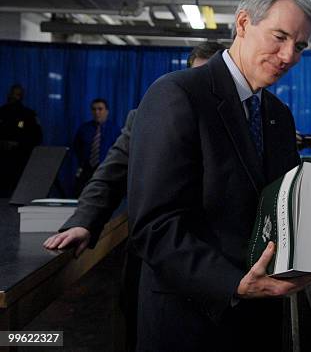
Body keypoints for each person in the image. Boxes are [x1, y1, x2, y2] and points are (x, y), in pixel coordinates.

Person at [128, 0, 311, 352]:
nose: (288, 55)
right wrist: (232, 283)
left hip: (259, 321)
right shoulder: (177, 94)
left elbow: (279, 210)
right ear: (244, 23)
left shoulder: (278, 116)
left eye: (300, 46)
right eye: (279, 37)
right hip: (191, 321)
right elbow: (154, 225)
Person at [43, 42, 225, 352]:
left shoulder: (241, 121)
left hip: (219, 263)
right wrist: (84, 221)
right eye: (196, 77)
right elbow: (111, 172)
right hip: (157, 264)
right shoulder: (146, 117)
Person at [0, 84, 43, 197]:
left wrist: (18, 144)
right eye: (12, 94)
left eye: (17, 94)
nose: (13, 97)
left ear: (21, 96)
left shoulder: (28, 115)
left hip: (20, 161)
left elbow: (36, 137)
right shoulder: (1, 112)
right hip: (2, 160)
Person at [72, 98, 121, 196]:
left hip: (106, 170)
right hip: (86, 171)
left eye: (100, 109)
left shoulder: (115, 130)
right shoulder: (84, 129)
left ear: (107, 111)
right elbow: (77, 148)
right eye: (94, 109)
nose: (97, 112)